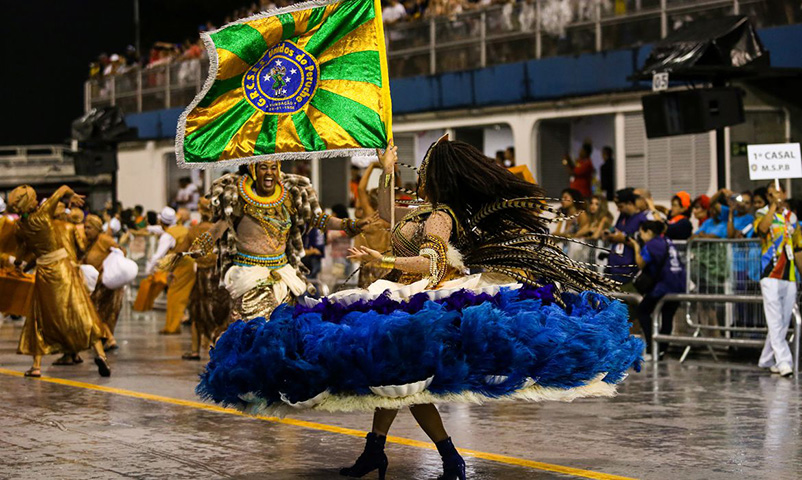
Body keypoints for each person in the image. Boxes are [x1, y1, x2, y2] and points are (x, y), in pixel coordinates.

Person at [196, 139, 641, 480]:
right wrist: (385, 170)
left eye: (423, 170)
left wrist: (382, 261)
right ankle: (378, 449)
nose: (419, 175)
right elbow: (388, 215)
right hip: (400, 295)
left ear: (438, 178)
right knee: (392, 379)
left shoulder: (442, 214)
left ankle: (447, 457)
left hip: (424, 300)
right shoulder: (419, 208)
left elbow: (432, 261)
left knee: (404, 384)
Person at [187, 160, 366, 321]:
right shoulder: (239, 197)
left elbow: (318, 219)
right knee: (260, 330)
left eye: (273, 167)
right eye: (263, 167)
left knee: (287, 327)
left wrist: (350, 224)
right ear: (254, 169)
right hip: (249, 276)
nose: (269, 173)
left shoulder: (290, 196)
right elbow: (220, 226)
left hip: (284, 274)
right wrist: (204, 243)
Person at [7, 185, 111, 378]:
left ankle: (36, 366)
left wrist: (18, 265)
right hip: (63, 268)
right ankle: (101, 355)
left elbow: (21, 253)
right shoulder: (43, 215)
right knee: (82, 311)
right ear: (30, 201)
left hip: (44, 273)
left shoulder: (20, 226)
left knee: (39, 317)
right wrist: (72, 195)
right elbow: (62, 188)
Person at [754, 182, 799, 377]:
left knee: (783, 320)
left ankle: (766, 359)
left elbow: (797, 247)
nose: (776, 196)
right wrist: (773, 206)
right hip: (770, 273)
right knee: (774, 320)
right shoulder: (762, 213)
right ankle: (784, 362)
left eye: (778, 192)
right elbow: (763, 229)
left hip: (789, 274)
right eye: (771, 194)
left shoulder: (792, 217)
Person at [179, 198, 231, 360]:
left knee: (198, 313)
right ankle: (219, 347)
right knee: (222, 313)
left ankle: (195, 351)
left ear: (200, 211)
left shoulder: (194, 230)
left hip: (202, 277)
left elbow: (181, 251)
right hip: (221, 275)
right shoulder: (223, 228)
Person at [630, 221, 686, 359]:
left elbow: (641, 263)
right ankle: (661, 350)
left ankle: (651, 347)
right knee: (667, 317)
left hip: (663, 286)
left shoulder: (651, 245)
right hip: (678, 284)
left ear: (648, 232)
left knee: (643, 311)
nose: (641, 236)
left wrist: (636, 247)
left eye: (642, 232)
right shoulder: (668, 241)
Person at [82, 214, 124, 351]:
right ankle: (108, 339)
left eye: (89, 228)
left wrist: (109, 266)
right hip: (96, 284)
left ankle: (110, 339)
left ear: (96, 228)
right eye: (85, 227)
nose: (86, 231)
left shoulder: (104, 240)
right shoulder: (88, 243)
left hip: (108, 283)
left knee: (103, 312)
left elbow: (121, 251)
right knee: (96, 312)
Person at [355, 162, 392, 288]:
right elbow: (393, 188)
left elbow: (360, 189)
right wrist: (392, 170)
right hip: (385, 264)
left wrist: (371, 165)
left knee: (367, 302)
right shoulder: (390, 217)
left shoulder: (371, 216)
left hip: (372, 266)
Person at [604, 188, 649, 284]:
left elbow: (642, 244)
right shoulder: (622, 216)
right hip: (614, 268)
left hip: (629, 271)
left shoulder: (642, 219)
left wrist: (623, 239)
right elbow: (616, 230)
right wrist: (609, 235)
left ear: (630, 203)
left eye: (620, 206)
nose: (618, 210)